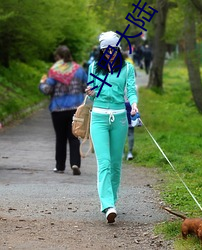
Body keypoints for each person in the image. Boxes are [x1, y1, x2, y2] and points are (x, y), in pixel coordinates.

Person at [85, 31, 138, 223]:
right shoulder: (93, 67)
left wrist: (133, 104)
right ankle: (107, 205)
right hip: (98, 118)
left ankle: (112, 201)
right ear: (101, 51)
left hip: (120, 119)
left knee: (116, 164)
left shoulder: (127, 69)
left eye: (112, 49)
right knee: (104, 163)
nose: (109, 53)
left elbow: (131, 90)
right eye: (106, 50)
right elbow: (91, 96)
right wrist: (89, 92)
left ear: (118, 49)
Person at [39, 45, 87, 175]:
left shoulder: (54, 71)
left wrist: (42, 83)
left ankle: (60, 167)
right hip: (75, 109)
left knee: (60, 138)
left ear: (58, 57)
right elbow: (86, 87)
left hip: (58, 109)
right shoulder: (79, 70)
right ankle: (75, 163)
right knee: (74, 136)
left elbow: (47, 90)